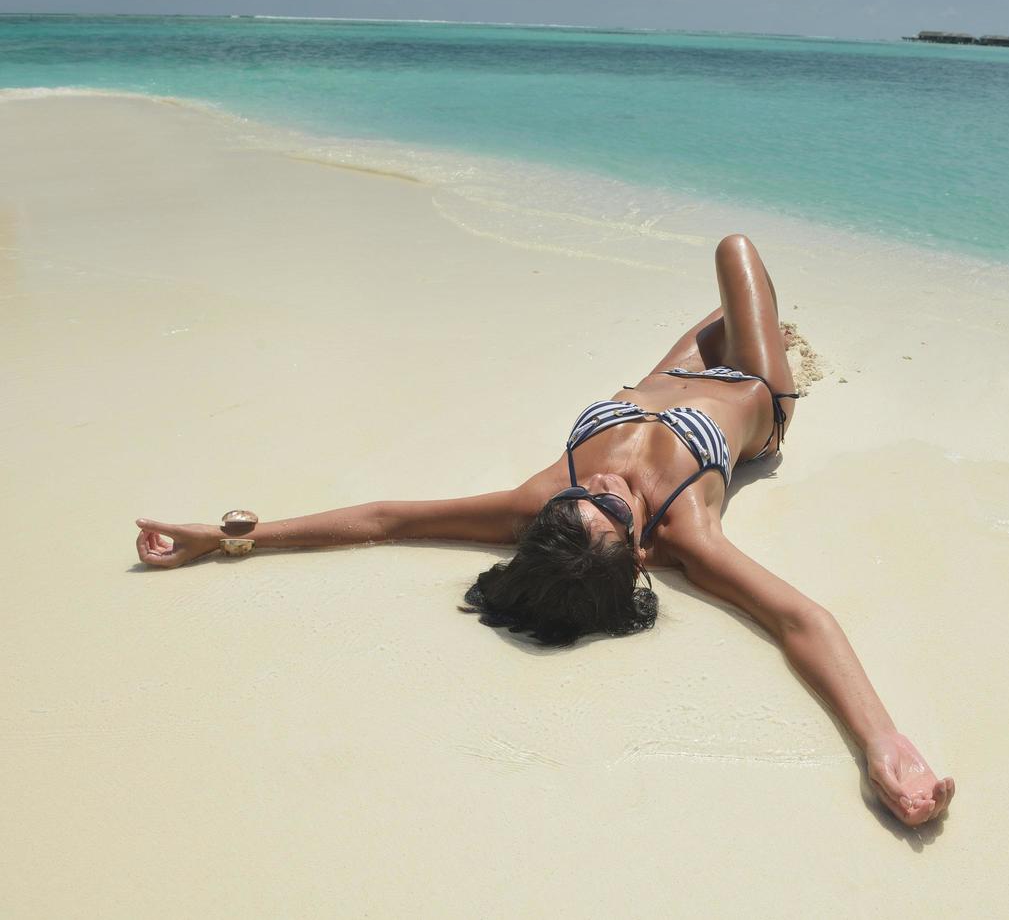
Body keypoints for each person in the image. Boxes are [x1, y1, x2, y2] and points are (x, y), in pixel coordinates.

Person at [135, 234, 955, 827]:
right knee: (739, 256)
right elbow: (798, 620)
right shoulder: (687, 535)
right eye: (606, 505)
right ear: (639, 551)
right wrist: (883, 743)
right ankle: (782, 358)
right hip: (750, 394)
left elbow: (383, 520)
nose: (595, 485)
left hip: (663, 377)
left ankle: (765, 334)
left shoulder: (540, 507)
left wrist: (230, 535)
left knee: (722, 301)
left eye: (579, 500)